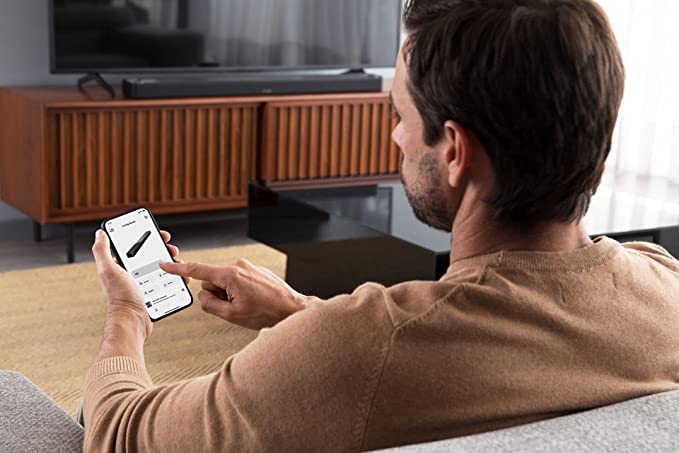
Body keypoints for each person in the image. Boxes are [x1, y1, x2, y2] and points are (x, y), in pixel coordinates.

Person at [84, 0, 679, 451]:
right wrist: (299, 312)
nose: (395, 136)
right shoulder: (665, 285)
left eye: (401, 114)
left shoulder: (353, 351)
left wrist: (127, 314)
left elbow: (116, 431)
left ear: (454, 152)